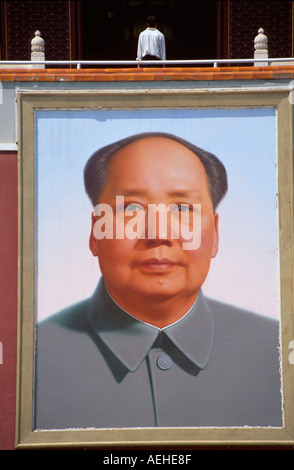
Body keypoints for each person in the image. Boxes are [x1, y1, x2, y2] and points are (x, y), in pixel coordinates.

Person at [35, 132, 282, 430]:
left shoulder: (277, 354)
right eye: (131, 208)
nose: (158, 234)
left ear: (215, 233)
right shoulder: (32, 358)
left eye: (182, 209)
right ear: (95, 232)